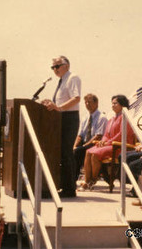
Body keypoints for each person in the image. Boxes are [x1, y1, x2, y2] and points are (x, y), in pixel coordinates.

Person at [42, 55, 81, 197]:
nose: (55, 69)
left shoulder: (72, 78)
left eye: (57, 66)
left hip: (69, 118)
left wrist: (58, 108)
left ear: (66, 65)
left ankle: (70, 189)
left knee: (66, 152)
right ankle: (64, 186)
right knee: (62, 153)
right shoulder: (61, 80)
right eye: (53, 67)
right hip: (61, 117)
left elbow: (76, 98)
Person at [80, 95, 135, 191]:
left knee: (95, 154)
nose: (112, 105)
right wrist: (103, 141)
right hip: (110, 145)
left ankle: (93, 180)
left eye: (115, 103)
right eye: (112, 103)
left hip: (120, 146)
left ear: (122, 105)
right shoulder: (111, 119)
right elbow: (106, 134)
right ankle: (87, 181)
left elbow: (122, 135)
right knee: (88, 152)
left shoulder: (125, 118)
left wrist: (107, 142)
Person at [72, 94, 108, 181]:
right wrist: (74, 146)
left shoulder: (102, 118)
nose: (87, 104)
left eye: (90, 102)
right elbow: (80, 135)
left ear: (96, 103)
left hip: (95, 144)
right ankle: (72, 180)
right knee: (72, 151)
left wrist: (83, 146)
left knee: (78, 152)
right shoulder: (85, 118)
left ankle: (81, 179)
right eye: (86, 102)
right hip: (84, 143)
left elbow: (98, 136)